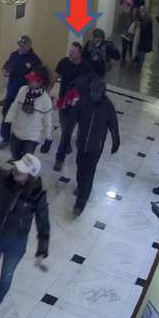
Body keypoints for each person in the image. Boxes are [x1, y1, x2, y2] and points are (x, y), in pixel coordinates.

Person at [0, 154, 50, 317]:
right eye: (17, 167)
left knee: (6, 275)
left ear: (31, 175)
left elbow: (43, 224)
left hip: (17, 242)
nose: (16, 172)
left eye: (21, 170)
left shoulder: (37, 196)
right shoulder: (6, 178)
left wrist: (42, 251)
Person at [65, 79, 120, 217]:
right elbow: (71, 121)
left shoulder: (107, 106)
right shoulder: (83, 103)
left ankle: (80, 204)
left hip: (96, 147)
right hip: (82, 144)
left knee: (88, 174)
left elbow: (113, 124)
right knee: (79, 168)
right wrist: (66, 139)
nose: (94, 95)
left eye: (97, 93)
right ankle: (80, 186)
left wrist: (116, 141)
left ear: (102, 93)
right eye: (92, 92)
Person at [52, 43, 95, 171]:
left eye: (73, 52)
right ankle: (66, 143)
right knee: (65, 127)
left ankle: (59, 159)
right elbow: (54, 76)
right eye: (69, 51)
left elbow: (90, 85)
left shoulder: (86, 67)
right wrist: (48, 90)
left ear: (79, 54)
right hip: (63, 102)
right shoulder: (63, 62)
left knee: (65, 132)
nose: (70, 54)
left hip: (77, 105)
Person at [0, 35, 42, 150]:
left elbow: (39, 77)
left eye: (23, 46)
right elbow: (6, 66)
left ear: (29, 46)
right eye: (20, 45)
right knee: (6, 114)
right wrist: (5, 70)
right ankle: (5, 138)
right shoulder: (14, 55)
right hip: (12, 91)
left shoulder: (34, 59)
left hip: (26, 94)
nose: (21, 48)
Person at [5, 66, 54, 161]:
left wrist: (48, 139)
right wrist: (7, 121)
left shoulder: (45, 100)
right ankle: (17, 172)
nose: (29, 81)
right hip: (17, 132)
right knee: (15, 156)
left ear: (40, 82)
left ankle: (25, 174)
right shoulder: (23, 90)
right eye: (29, 79)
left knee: (26, 161)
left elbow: (48, 122)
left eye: (32, 80)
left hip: (32, 136)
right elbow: (14, 106)